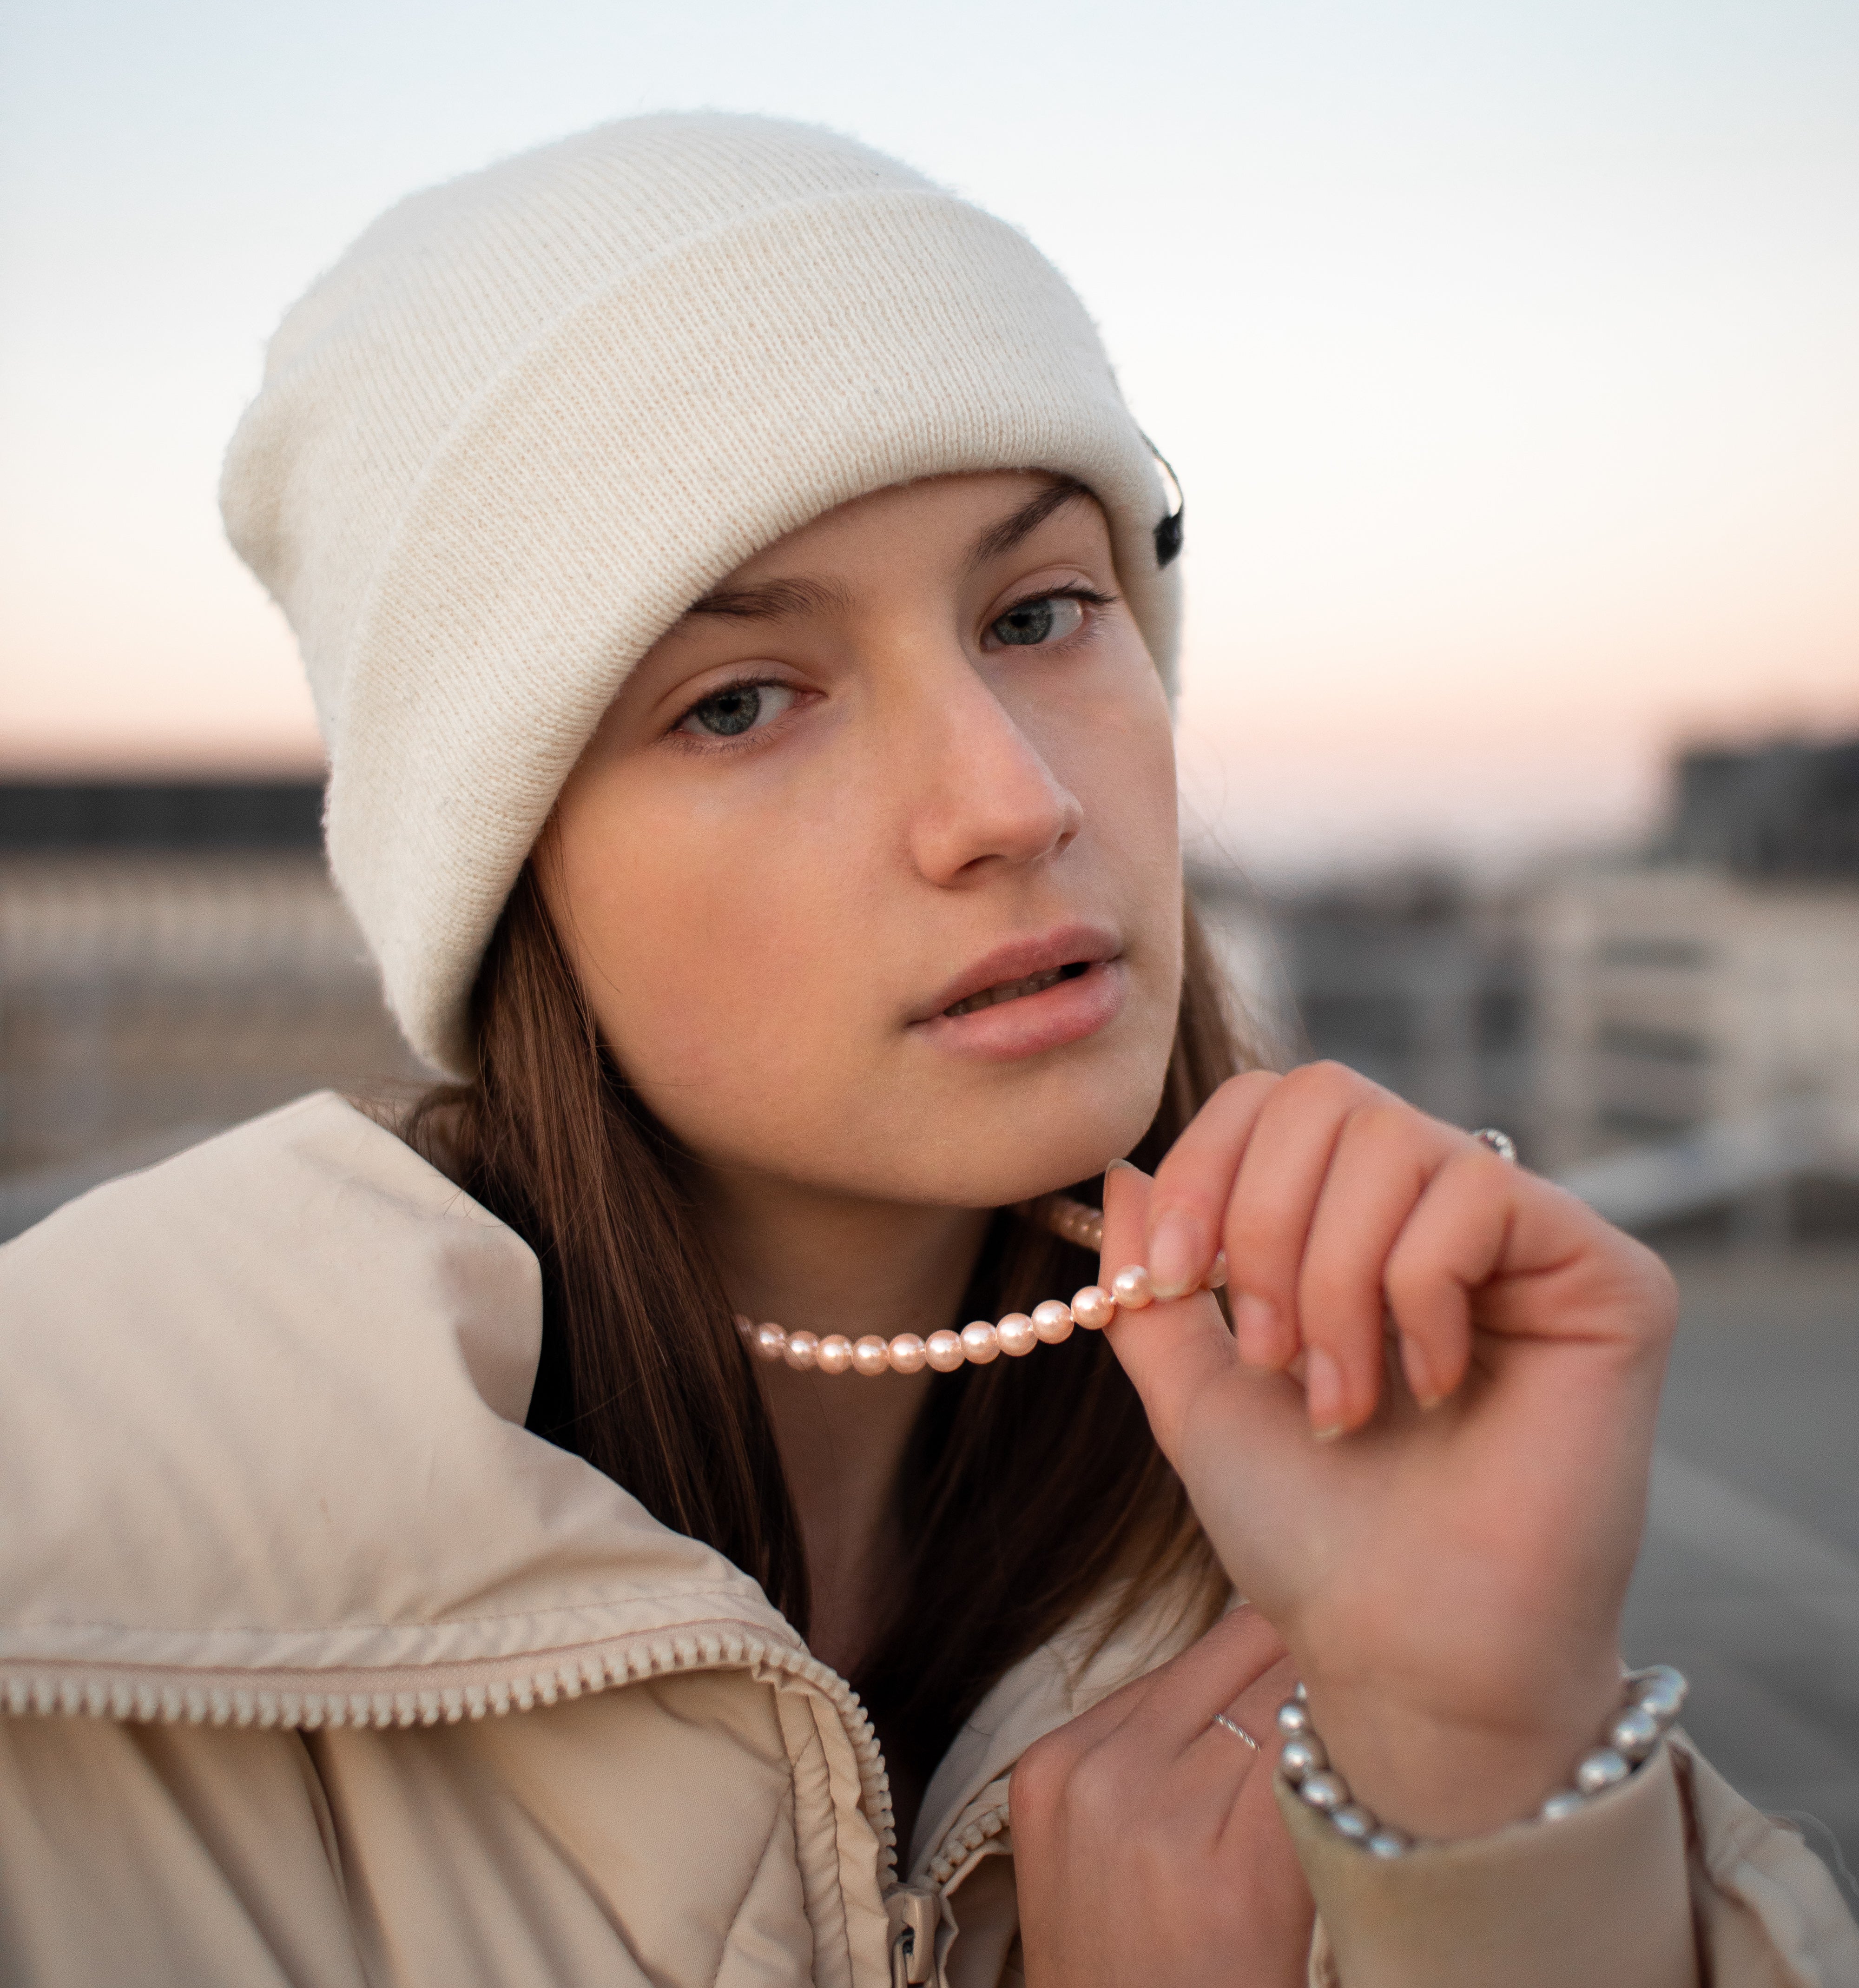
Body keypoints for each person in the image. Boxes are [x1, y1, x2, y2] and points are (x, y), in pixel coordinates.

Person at [0, 115, 1851, 1988]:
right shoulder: (66, 1605)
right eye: (740, 701)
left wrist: (1485, 1792)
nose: (1011, 797)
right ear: (504, 879)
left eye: (1041, 610)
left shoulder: (1329, 1476)